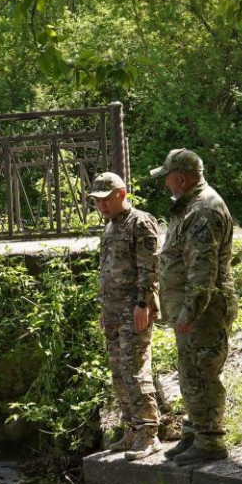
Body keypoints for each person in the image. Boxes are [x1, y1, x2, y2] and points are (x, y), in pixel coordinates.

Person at [150, 148, 238, 466]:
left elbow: (204, 268)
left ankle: (210, 440)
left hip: (205, 309)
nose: (165, 185)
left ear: (182, 178)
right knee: (190, 371)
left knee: (202, 373)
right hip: (190, 308)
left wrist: (191, 309)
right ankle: (194, 433)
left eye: (168, 178)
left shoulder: (203, 210)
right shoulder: (188, 206)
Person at [87, 172, 163, 461]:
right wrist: (105, 310)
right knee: (118, 372)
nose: (101, 206)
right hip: (114, 311)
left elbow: (149, 267)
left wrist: (144, 303)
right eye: (97, 201)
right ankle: (132, 428)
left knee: (135, 370)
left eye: (106, 200)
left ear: (122, 194)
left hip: (134, 311)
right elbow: (107, 272)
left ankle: (148, 433)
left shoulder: (140, 222)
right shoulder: (110, 226)